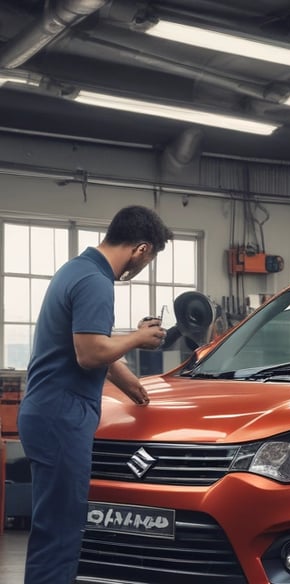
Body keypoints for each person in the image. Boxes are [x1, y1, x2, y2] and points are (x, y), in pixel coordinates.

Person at [17, 205, 173, 584]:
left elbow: (91, 345)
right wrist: (138, 337)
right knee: (60, 532)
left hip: (47, 412)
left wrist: (133, 386)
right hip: (62, 416)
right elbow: (89, 354)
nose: (143, 267)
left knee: (53, 526)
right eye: (149, 259)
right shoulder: (96, 282)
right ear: (141, 249)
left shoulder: (76, 269)